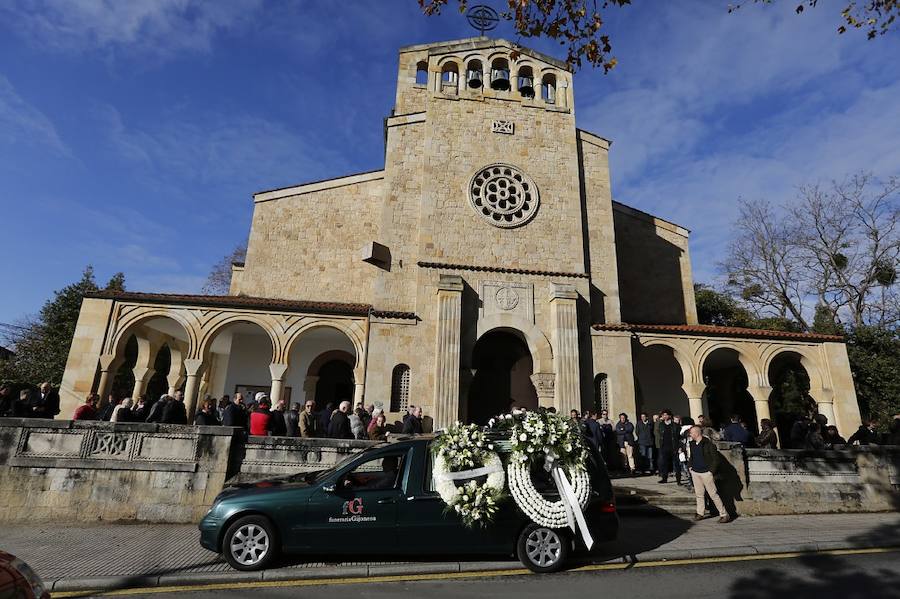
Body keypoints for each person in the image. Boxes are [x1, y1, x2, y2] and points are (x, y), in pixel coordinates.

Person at [686, 426, 732, 523]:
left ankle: (724, 514)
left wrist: (711, 471)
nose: (690, 435)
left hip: (706, 472)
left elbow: (716, 459)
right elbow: (692, 457)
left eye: (691, 433)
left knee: (713, 494)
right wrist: (690, 467)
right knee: (699, 494)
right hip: (695, 472)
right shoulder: (692, 444)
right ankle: (700, 513)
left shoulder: (709, 444)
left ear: (697, 433)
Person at [655, 409, 680, 484]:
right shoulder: (661, 425)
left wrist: (678, 447)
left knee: (676, 464)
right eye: (663, 415)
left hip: (673, 447)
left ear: (670, 415)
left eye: (666, 415)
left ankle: (678, 480)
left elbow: (678, 436)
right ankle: (664, 478)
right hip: (664, 446)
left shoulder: (675, 425)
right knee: (664, 463)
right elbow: (659, 434)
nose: (664, 416)